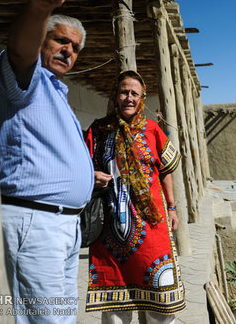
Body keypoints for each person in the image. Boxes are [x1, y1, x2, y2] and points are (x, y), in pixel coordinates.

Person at [0, 0, 94, 323]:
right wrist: (38, 7)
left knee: (57, 317)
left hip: (63, 224)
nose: (68, 50)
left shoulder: (56, 92)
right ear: (43, 41)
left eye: (75, 48)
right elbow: (20, 51)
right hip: (35, 224)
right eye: (60, 41)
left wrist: (84, 175)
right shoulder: (26, 77)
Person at [84, 70, 186, 323]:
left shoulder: (152, 130)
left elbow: (165, 172)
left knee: (160, 297)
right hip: (109, 230)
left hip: (151, 227)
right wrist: (92, 174)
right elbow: (80, 167)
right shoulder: (97, 131)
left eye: (134, 93)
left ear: (141, 99)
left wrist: (172, 207)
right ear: (115, 96)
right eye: (123, 92)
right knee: (114, 302)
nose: (129, 97)